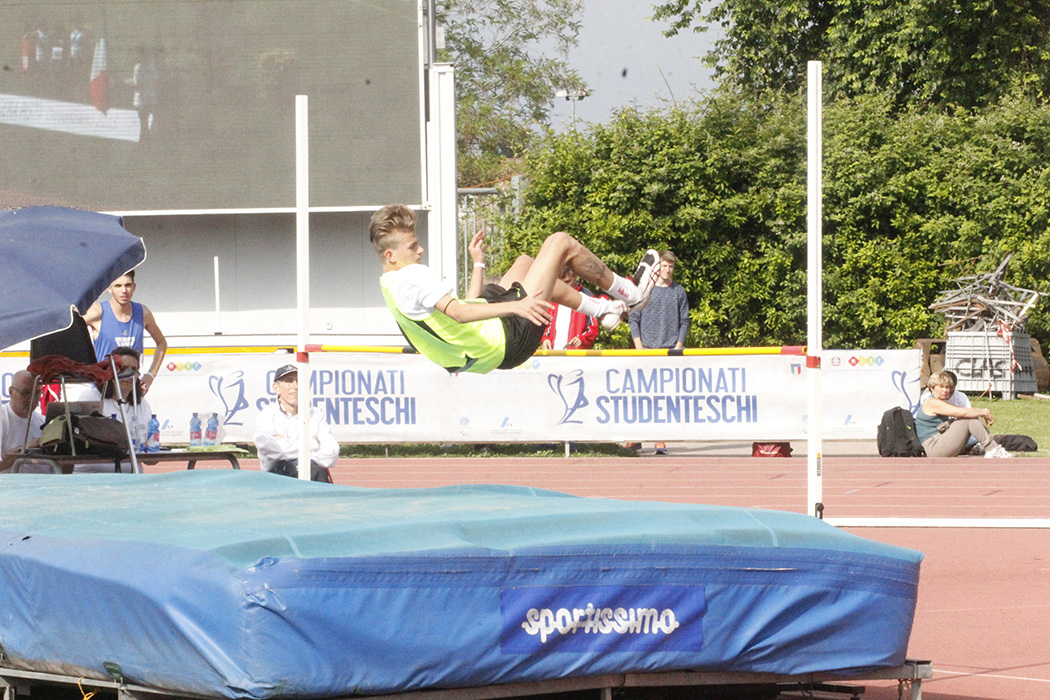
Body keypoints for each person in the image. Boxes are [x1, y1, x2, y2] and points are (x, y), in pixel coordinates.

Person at [370, 204, 659, 374]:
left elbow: (466, 307)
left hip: (489, 340)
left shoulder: (390, 285)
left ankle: (603, 311)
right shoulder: (412, 276)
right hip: (508, 338)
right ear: (391, 255)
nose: (420, 250)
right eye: (412, 246)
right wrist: (517, 306)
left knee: (525, 264)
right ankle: (631, 293)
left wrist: (478, 264)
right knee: (560, 242)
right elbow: (458, 313)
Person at [627, 250, 690, 455]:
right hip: (645, 350)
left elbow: (685, 321)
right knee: (640, 396)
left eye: (671, 266)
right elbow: (633, 318)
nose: (667, 269)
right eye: (664, 265)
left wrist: (679, 345)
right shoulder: (645, 290)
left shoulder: (679, 292)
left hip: (669, 351)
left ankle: (659, 439)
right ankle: (635, 438)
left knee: (663, 397)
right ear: (657, 267)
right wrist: (638, 345)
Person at [83, 271, 167, 394]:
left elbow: (162, 343)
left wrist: (151, 374)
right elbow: (69, 330)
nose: (124, 291)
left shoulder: (143, 313)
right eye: (118, 286)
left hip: (132, 390)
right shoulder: (98, 312)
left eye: (127, 285)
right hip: (104, 389)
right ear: (109, 288)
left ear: (134, 287)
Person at [254, 364, 338, 482]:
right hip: (277, 477)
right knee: (314, 470)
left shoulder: (316, 414)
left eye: (299, 381)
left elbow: (332, 453)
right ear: (276, 388)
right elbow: (277, 448)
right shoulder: (267, 415)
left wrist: (292, 445)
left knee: (314, 469)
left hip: (313, 469)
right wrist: (314, 445)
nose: (295, 386)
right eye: (289, 381)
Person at [74, 347, 153, 473]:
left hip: (131, 476)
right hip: (93, 475)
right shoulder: (91, 398)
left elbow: (151, 458)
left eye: (133, 370)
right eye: (123, 369)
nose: (128, 374)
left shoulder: (142, 404)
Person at [915, 371, 1013, 458]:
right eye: (941, 387)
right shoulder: (931, 402)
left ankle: (992, 448)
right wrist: (984, 412)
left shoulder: (939, 401)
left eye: (947, 387)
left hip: (940, 442)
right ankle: (992, 449)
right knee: (968, 418)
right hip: (933, 447)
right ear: (932, 388)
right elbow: (963, 412)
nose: (945, 390)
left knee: (972, 419)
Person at [541, 266, 602, 350]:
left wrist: (582, 339)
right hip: (555, 351)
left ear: (575, 276)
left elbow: (593, 328)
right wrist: (546, 339)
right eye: (561, 283)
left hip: (576, 353)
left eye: (568, 281)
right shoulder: (555, 296)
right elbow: (548, 324)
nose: (564, 286)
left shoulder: (587, 298)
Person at [1, 370, 44, 454]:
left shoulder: (43, 422)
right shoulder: (3, 420)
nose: (32, 399)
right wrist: (26, 448)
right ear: (11, 392)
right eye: (25, 393)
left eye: (37, 393)